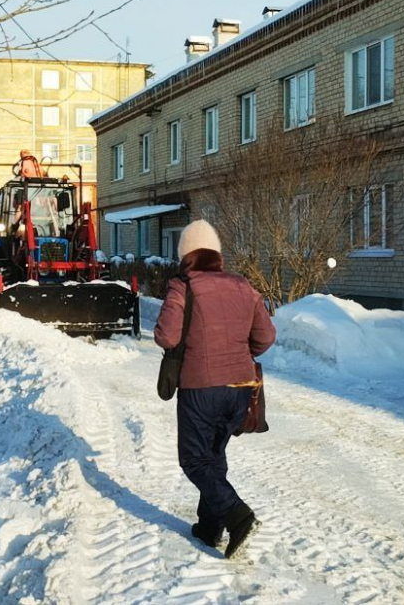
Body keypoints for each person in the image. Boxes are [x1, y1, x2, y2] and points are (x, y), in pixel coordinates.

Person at [153, 219, 276, 559]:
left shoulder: (184, 285)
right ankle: (210, 527)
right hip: (240, 387)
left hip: (200, 389)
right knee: (214, 454)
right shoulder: (242, 285)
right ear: (216, 253)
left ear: (186, 254)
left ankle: (238, 516)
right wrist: (237, 352)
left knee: (193, 459)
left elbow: (167, 336)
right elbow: (266, 337)